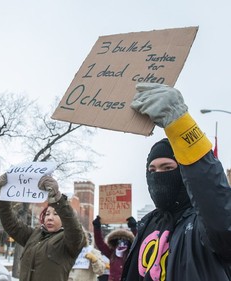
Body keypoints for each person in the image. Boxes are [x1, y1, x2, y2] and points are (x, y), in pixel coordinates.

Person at [120, 83, 231, 280]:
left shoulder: (203, 225)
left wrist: (180, 125)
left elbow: (218, 210)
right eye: (152, 170)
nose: (158, 176)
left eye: (168, 168)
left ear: (184, 173)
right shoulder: (148, 223)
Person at [0, 174, 86, 281]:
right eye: (47, 214)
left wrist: (57, 198)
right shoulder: (34, 235)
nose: (50, 218)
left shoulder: (71, 241)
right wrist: (2, 196)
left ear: (64, 218)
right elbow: (11, 224)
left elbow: (73, 227)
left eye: (56, 214)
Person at [92, 216, 134, 281]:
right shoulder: (111, 253)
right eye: (119, 240)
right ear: (115, 242)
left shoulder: (131, 253)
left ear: (129, 242)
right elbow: (99, 243)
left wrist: (134, 228)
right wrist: (97, 228)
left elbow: (139, 243)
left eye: (124, 240)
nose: (122, 243)